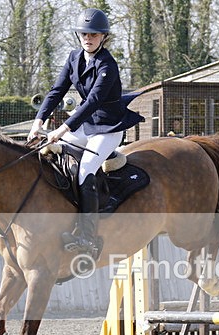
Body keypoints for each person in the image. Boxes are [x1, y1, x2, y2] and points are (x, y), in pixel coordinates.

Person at [28, 8, 143, 257]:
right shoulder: (73, 57)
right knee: (53, 155)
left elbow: (92, 101)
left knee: (85, 169)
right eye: (83, 34)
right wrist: (39, 120)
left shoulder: (107, 65)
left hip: (108, 128)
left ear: (103, 37)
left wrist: (61, 129)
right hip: (86, 125)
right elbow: (57, 91)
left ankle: (88, 236)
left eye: (93, 34)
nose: (87, 38)